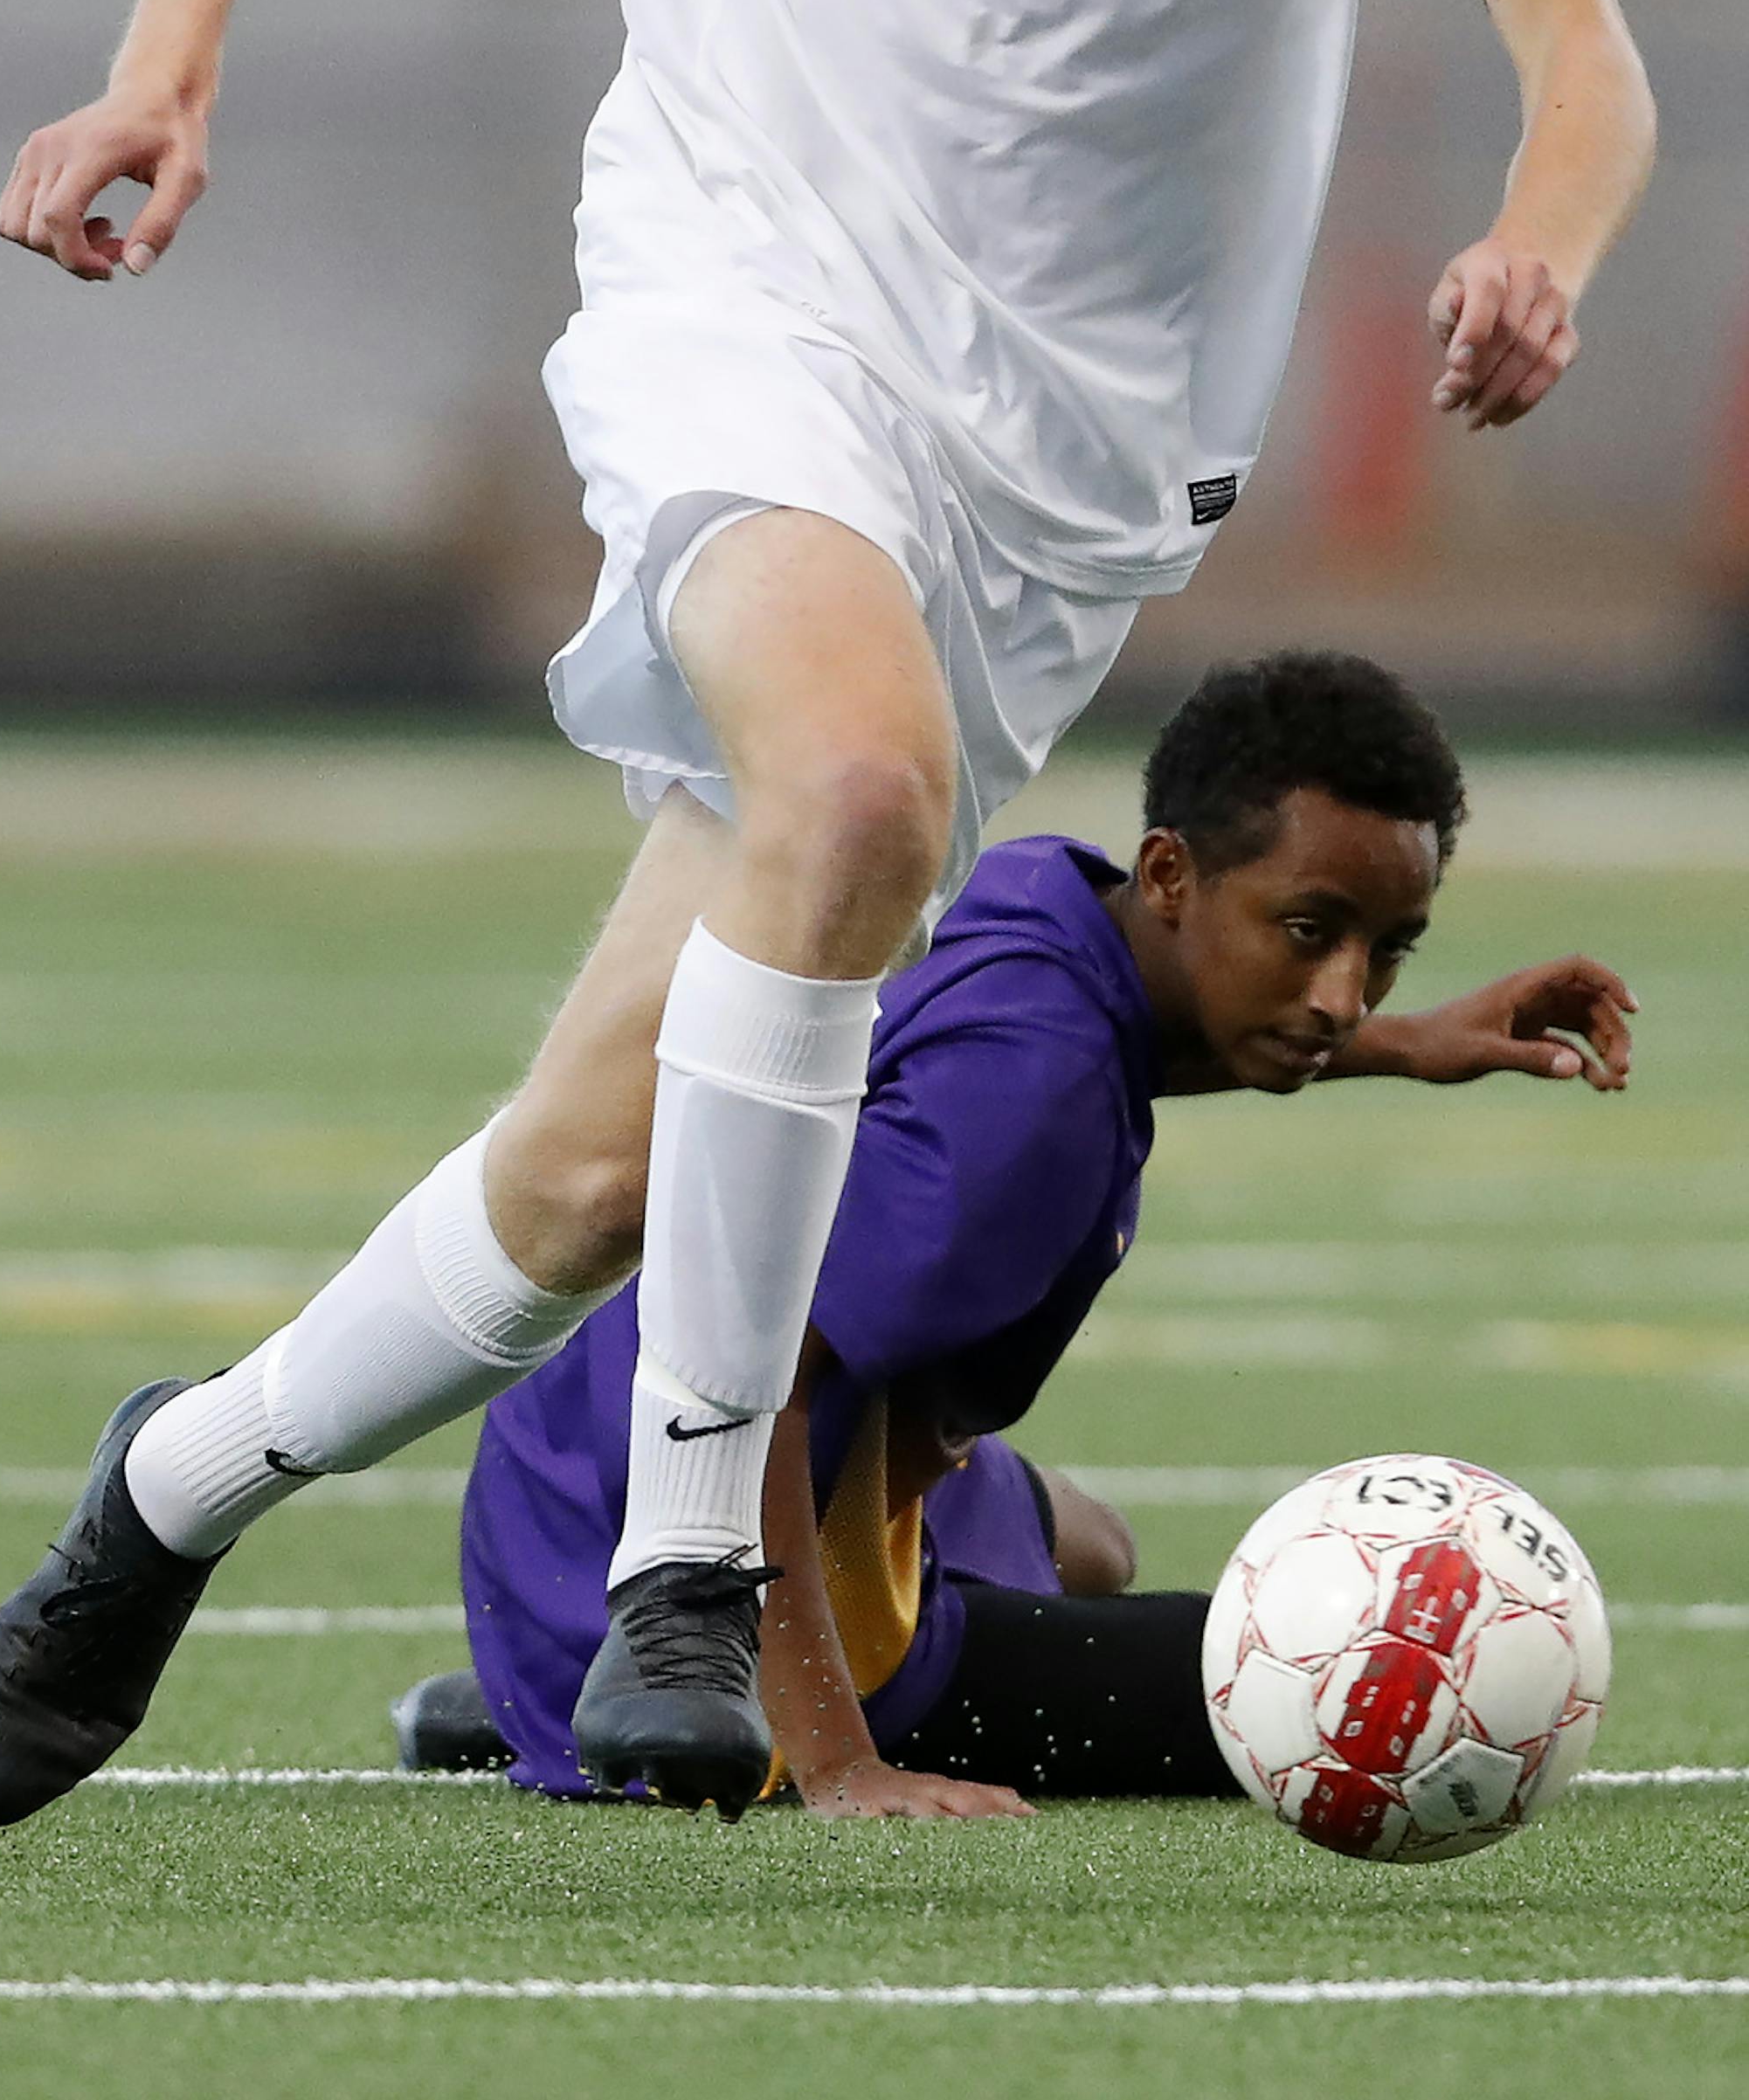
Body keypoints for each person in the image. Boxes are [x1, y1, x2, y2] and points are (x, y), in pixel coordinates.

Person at [0, 0, 1654, 1829]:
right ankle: (694, 1575)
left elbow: (1576, 36)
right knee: (852, 792)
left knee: (604, 1167)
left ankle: (173, 1474)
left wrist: (1544, 226)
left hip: (1062, 468)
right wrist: (164, 57)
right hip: (741, 307)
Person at [440, 655, 1634, 1813]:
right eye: (1312, 928)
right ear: (1171, 873)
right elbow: (751, 1388)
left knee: (1092, 1546)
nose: (1343, 995)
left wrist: (1404, 1043)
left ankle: (527, 1692)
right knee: (1313, 1691)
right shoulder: (1028, 1111)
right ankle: (611, 1709)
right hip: (658, 1569)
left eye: (1387, 951)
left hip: (555, 1476)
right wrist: (837, 1763)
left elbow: (1129, 1041)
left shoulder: (1052, 903)